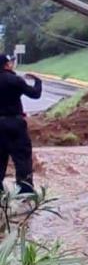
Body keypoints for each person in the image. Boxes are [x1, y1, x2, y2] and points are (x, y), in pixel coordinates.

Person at [0, 54, 42, 195]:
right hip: (15, 124)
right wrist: (38, 81)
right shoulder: (14, 80)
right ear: (6, 65)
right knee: (22, 157)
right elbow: (35, 94)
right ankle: (25, 191)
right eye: (10, 63)